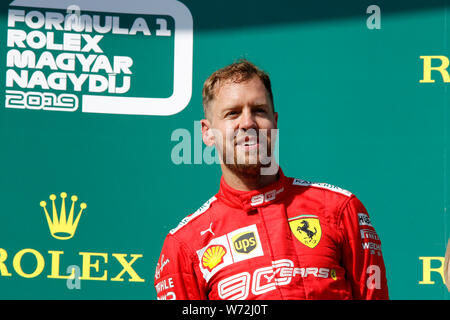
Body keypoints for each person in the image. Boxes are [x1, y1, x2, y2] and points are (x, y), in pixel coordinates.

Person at [154, 59, 389, 300]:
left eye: (259, 110)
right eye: (232, 113)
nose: (247, 123)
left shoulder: (340, 210)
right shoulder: (184, 245)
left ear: (275, 122)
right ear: (207, 132)